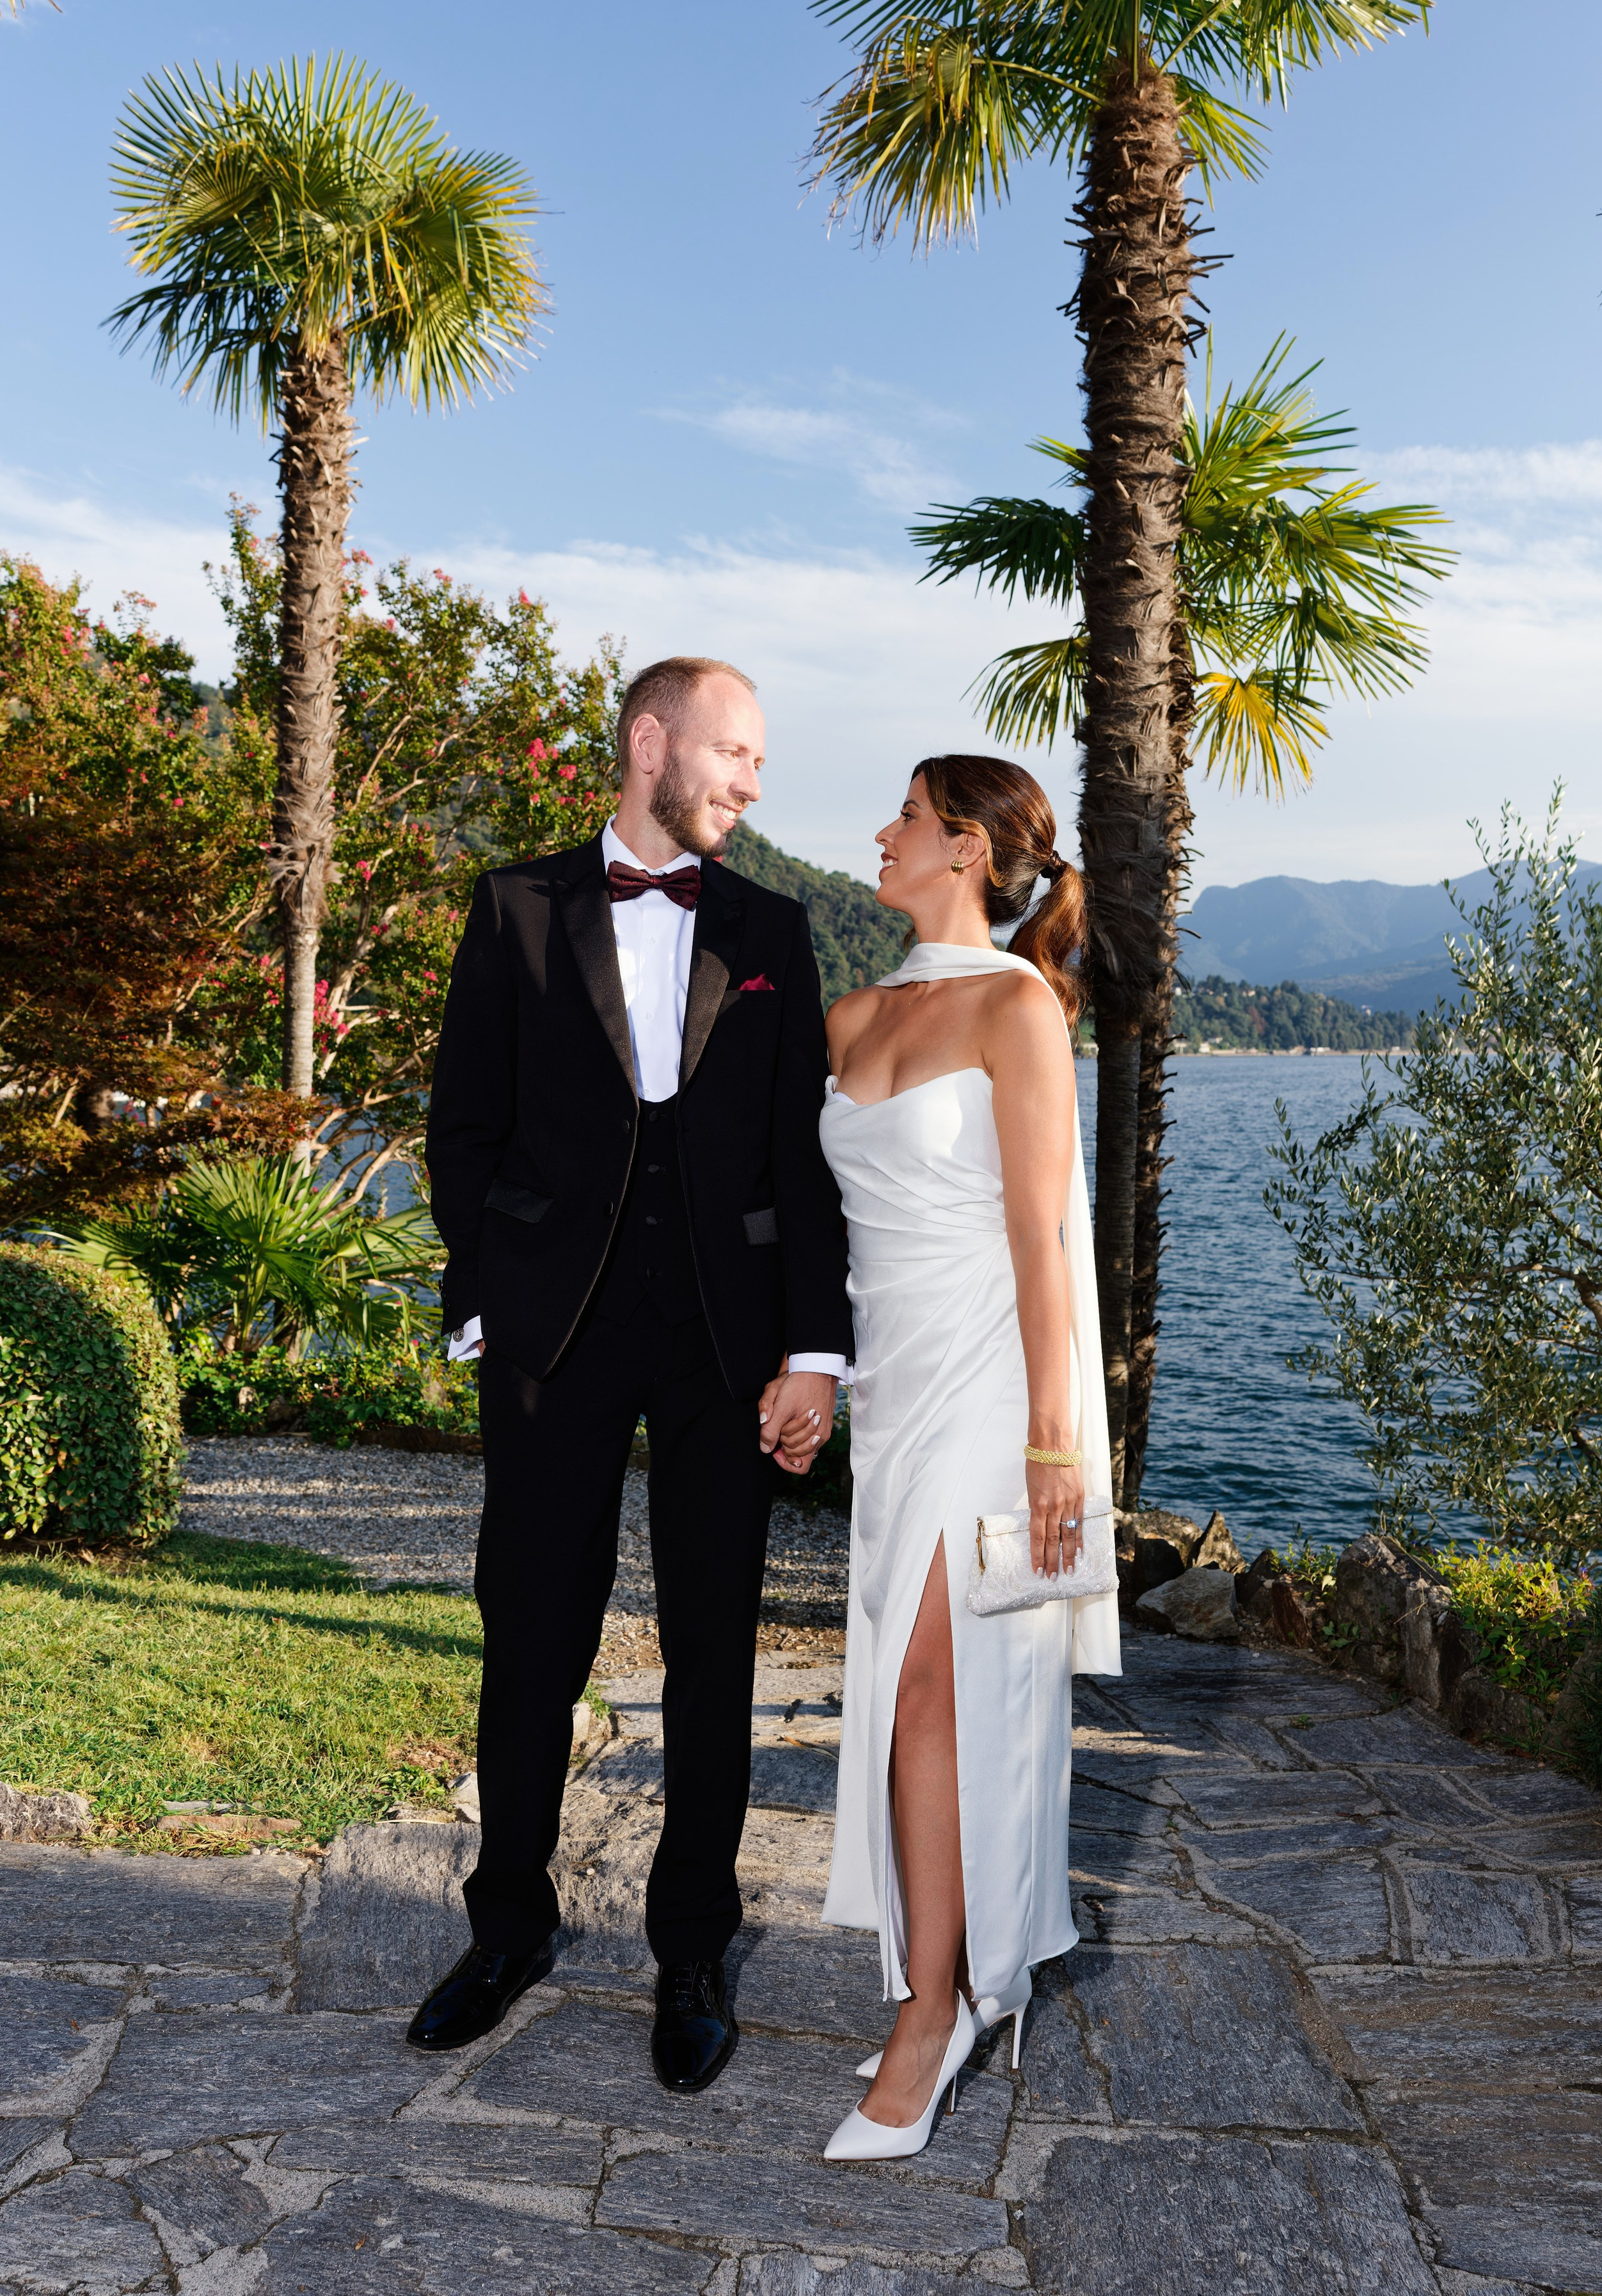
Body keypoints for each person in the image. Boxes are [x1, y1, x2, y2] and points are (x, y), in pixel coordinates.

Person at [408, 657, 853, 2093]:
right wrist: (486, 1304)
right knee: (531, 1634)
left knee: (714, 1653)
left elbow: (802, 1162)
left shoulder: (773, 927)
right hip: (553, 1336)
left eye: (759, 761)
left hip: (723, 1345)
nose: (751, 780)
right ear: (650, 742)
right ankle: (506, 1929)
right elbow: (462, 1123)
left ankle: (692, 1953)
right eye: (736, 751)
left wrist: (813, 1352)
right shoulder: (516, 905)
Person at [817, 755, 1120, 2162]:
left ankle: (930, 2011)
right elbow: (819, 1240)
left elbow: (1045, 1246)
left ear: (967, 852)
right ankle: (936, 1967)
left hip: (993, 1392)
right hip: (887, 1389)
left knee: (933, 1689)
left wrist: (1057, 1445)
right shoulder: (850, 1013)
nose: (878, 835)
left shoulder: (1016, 1008)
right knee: (894, 1694)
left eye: (905, 819)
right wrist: (808, 1372)